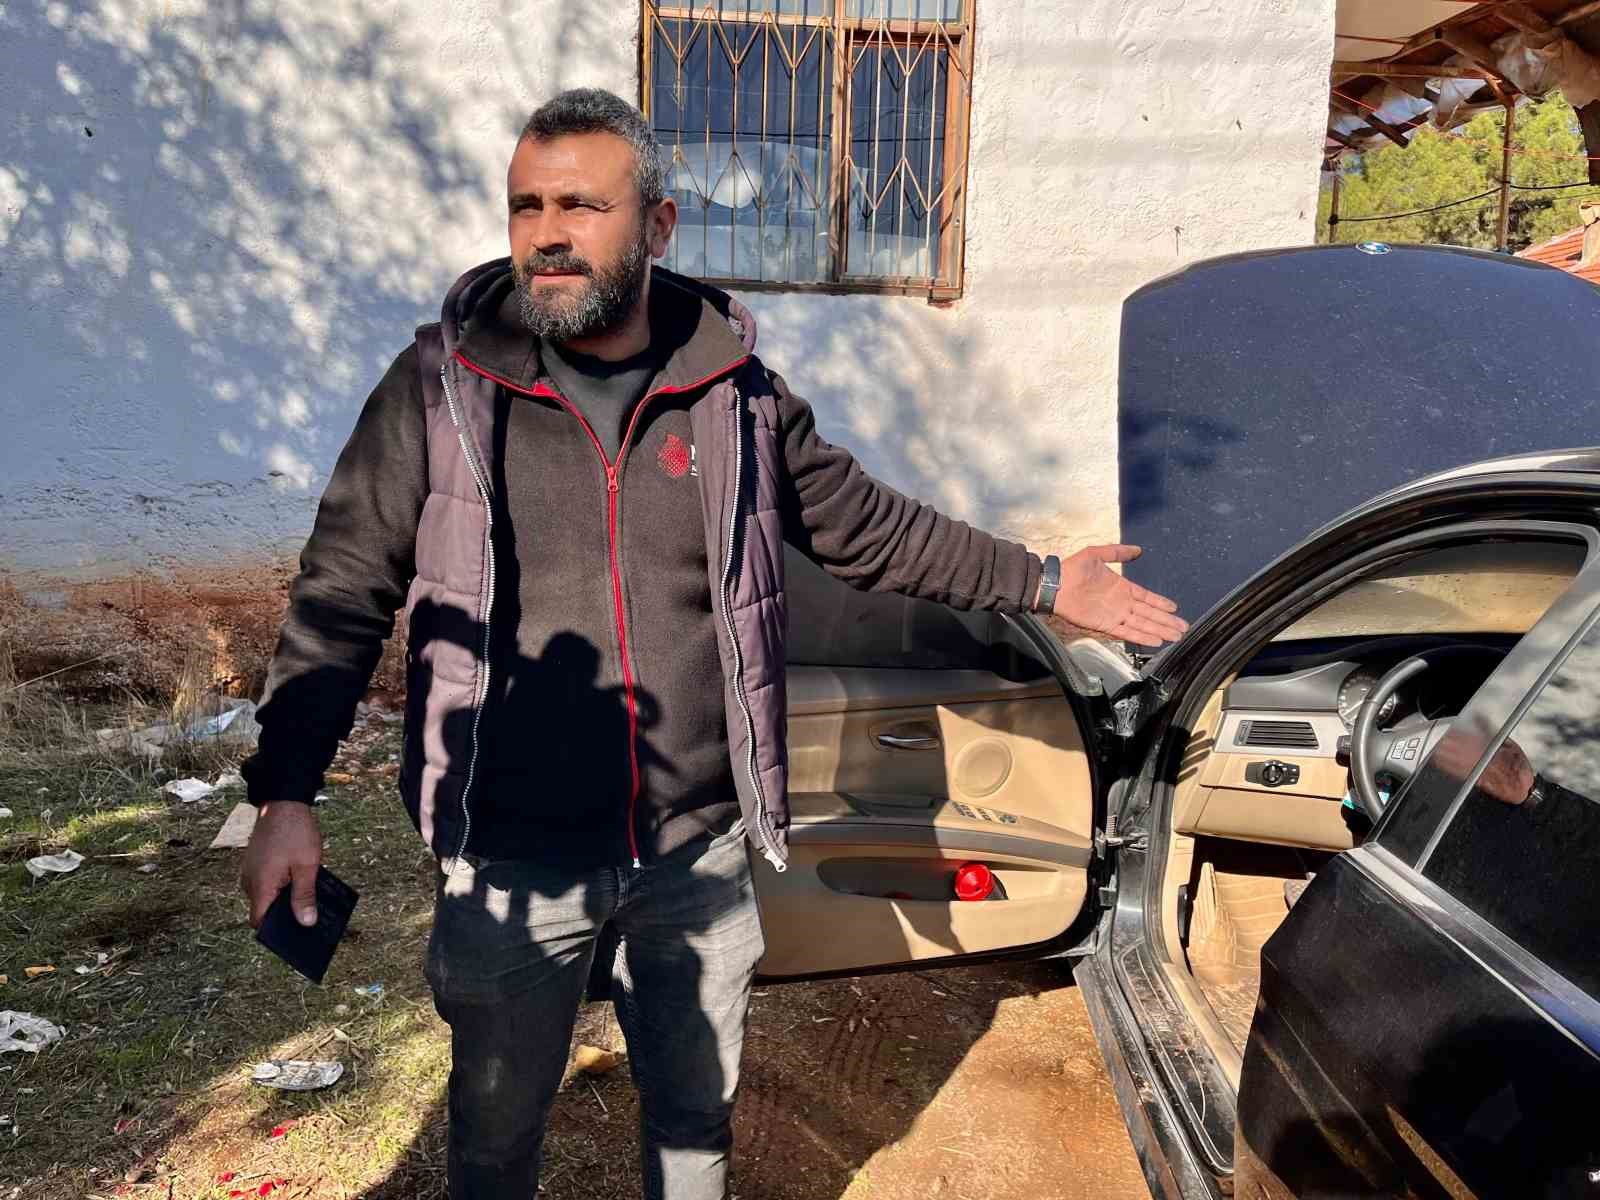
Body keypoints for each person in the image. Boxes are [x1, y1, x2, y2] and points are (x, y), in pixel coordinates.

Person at [238, 88, 1187, 1200]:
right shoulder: (440, 389)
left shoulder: (732, 394)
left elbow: (867, 527)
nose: (547, 234)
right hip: (510, 856)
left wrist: (1044, 583)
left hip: (696, 853)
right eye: (527, 206)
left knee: (694, 1122)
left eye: (582, 206)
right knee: (495, 1135)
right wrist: (285, 792)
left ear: (657, 225)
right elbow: (343, 587)